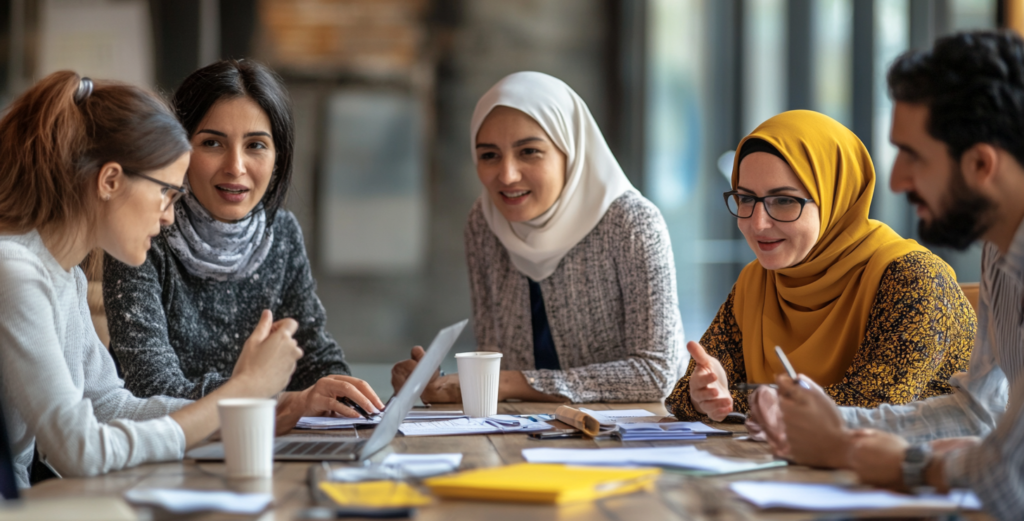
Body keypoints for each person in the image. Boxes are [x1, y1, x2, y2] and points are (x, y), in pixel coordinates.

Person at [751, 31, 1024, 520]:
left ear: (981, 163)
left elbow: (1010, 483)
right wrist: (830, 426)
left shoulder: (908, 273)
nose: (895, 180)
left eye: (912, 155)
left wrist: (883, 460)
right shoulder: (1000, 254)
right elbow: (976, 413)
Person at [0, 71, 302, 488]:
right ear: (110, 181)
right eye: (166, 192)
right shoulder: (13, 271)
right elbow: (78, 450)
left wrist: (253, 407)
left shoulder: (63, 276)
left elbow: (108, 404)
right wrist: (242, 392)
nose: (169, 215)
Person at [103, 59, 383, 431]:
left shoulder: (279, 232)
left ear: (278, 159)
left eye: (255, 145)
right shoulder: (143, 233)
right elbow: (152, 389)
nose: (236, 167)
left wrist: (339, 394)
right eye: (212, 143)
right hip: (161, 454)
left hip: (256, 443)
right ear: (179, 151)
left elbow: (311, 349)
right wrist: (279, 400)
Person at [664, 110, 976, 423]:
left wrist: (740, 397)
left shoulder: (913, 279)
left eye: (784, 201)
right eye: (746, 199)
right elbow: (683, 397)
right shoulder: (758, 281)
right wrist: (702, 393)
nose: (758, 223)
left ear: (836, 199)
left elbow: (871, 407)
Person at [392, 71, 684, 403]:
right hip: (525, 434)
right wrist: (440, 389)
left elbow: (656, 374)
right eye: (489, 155)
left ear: (569, 150)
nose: (507, 175)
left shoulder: (631, 223)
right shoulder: (484, 223)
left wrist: (507, 384)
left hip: (630, 441)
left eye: (529, 151)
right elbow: (493, 356)